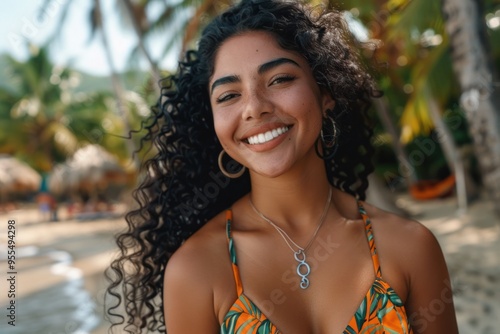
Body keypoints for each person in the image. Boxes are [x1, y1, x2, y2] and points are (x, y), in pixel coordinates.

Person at [106, 0, 459, 333]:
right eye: (229, 95)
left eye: (279, 79)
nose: (254, 108)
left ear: (325, 92)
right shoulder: (196, 270)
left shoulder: (410, 247)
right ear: (211, 122)